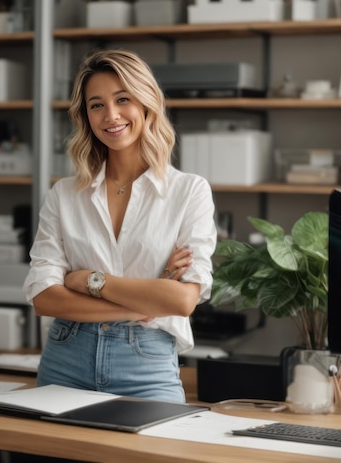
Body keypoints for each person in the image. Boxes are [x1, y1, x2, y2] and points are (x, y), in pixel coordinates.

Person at [23, 49, 217, 403]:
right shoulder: (64, 194)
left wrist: (87, 280)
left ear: (146, 103)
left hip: (146, 366)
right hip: (66, 359)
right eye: (96, 105)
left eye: (122, 99)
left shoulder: (189, 192)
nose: (110, 115)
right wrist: (147, 302)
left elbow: (184, 299)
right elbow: (44, 297)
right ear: (86, 116)